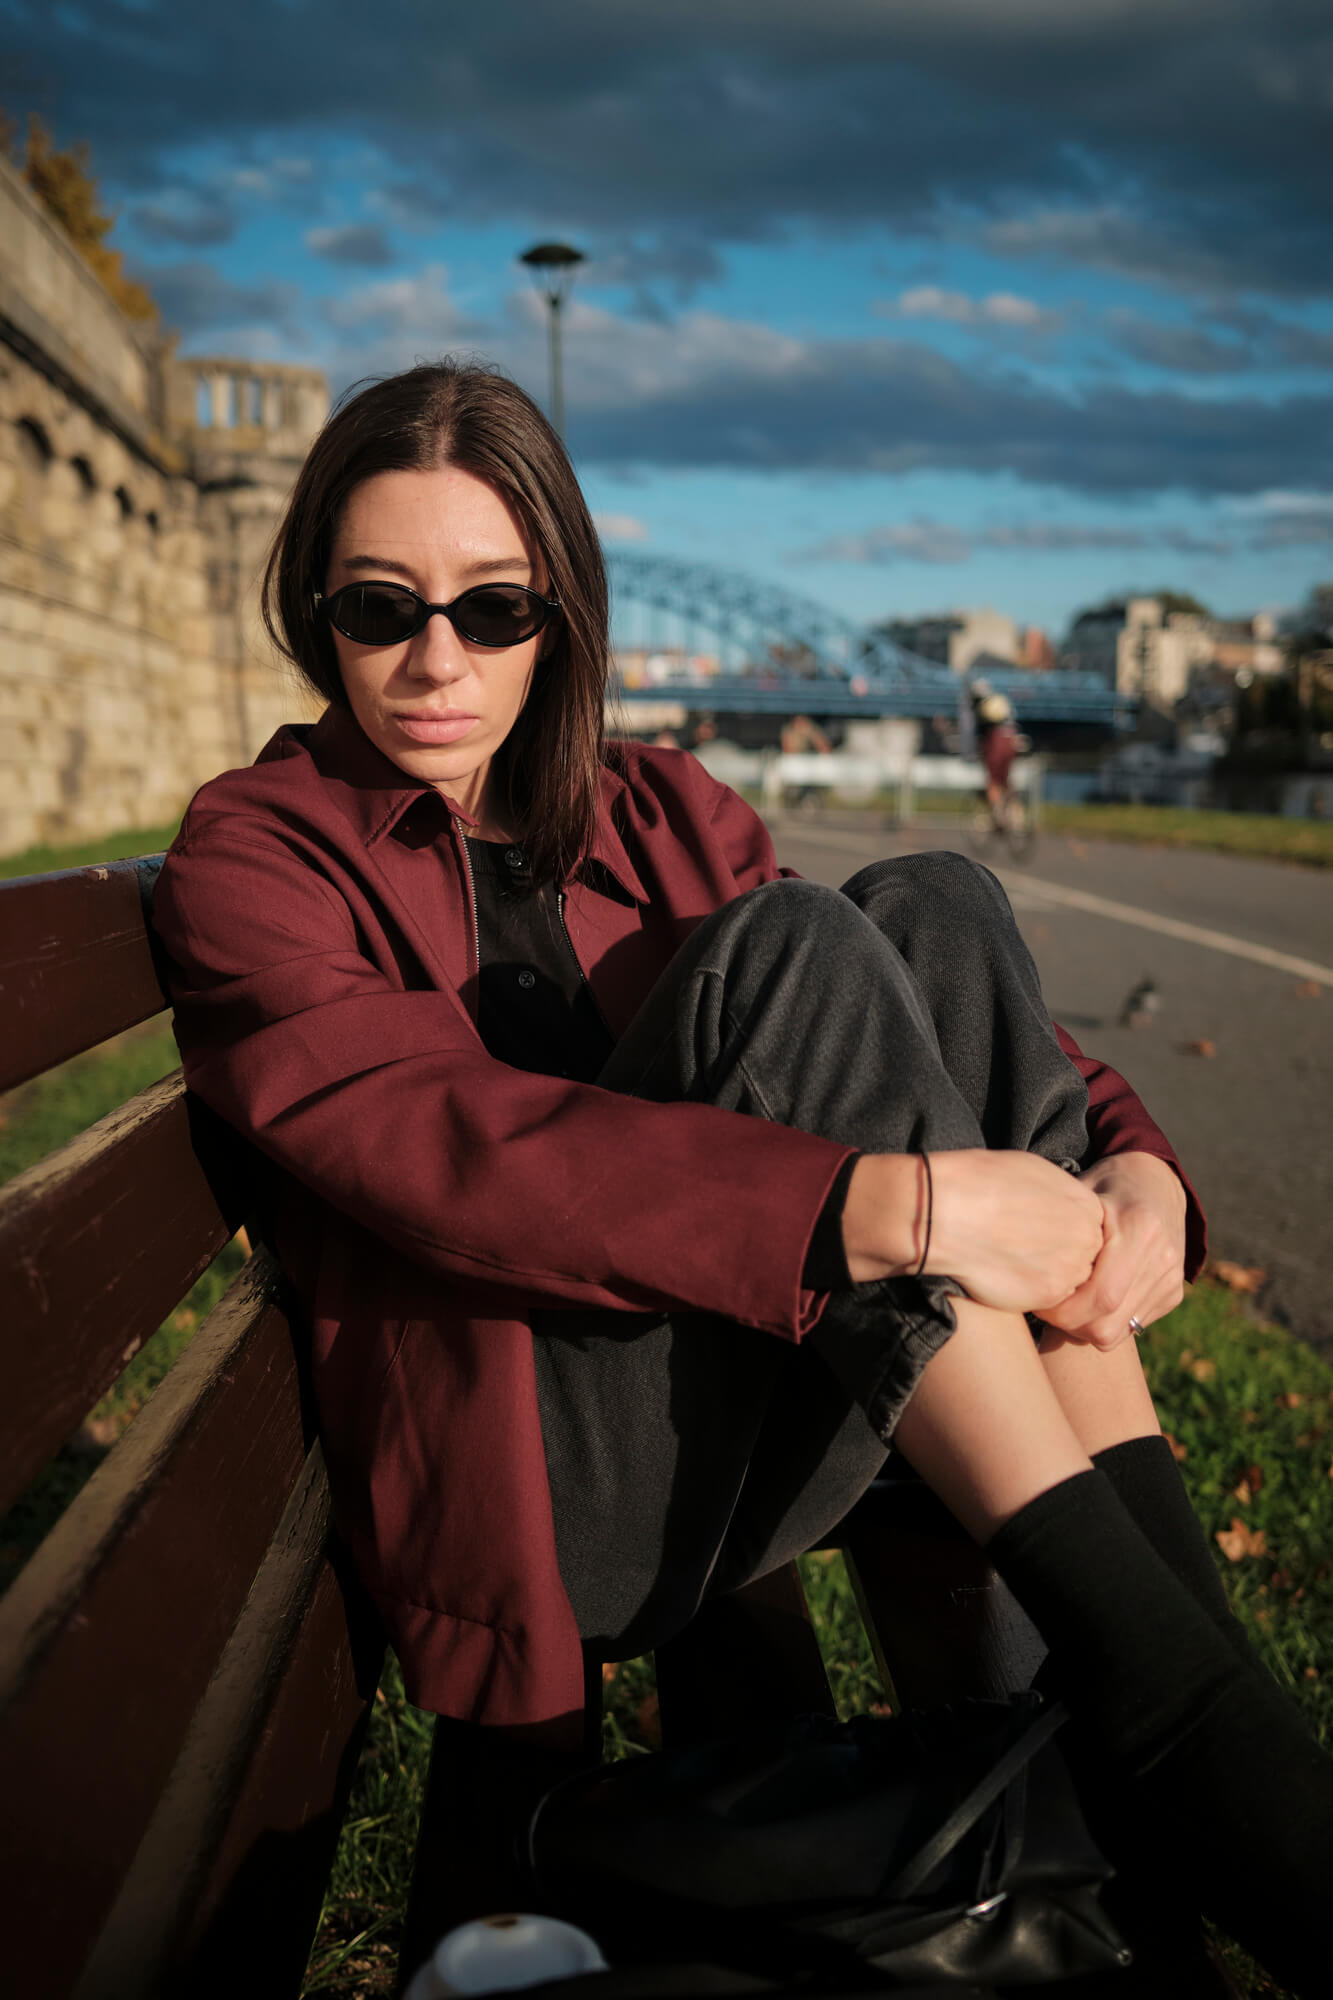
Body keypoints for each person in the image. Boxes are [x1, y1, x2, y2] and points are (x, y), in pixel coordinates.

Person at [154, 361, 1330, 1995]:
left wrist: (1133, 1164)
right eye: (379, 608)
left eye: (492, 609)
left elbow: (911, 1016)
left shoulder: (660, 810)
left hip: (764, 1403)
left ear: (557, 615)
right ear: (316, 610)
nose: (437, 659)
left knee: (931, 903)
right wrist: (896, 1211)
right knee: (793, 952)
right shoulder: (257, 854)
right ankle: (1201, 1733)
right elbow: (441, 1150)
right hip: (557, 1485)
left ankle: (1173, 1715)